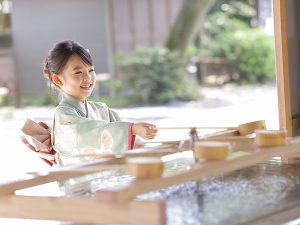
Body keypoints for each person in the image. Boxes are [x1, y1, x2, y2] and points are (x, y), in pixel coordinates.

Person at [36, 40, 157, 166]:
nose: (88, 77)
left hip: (106, 180)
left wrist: (142, 144)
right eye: (78, 72)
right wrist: (132, 129)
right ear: (57, 79)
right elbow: (87, 133)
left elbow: (125, 138)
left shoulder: (102, 109)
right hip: (77, 183)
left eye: (91, 70)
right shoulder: (63, 115)